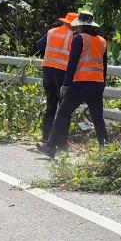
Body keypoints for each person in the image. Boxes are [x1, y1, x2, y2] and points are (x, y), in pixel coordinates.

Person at [47, 11, 109, 155]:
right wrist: (102, 86)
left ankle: (50, 146)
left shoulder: (79, 38)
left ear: (80, 26)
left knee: (62, 113)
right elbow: (104, 67)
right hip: (97, 84)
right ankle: (106, 149)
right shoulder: (102, 41)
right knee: (98, 118)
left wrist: (66, 84)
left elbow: (72, 63)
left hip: (80, 83)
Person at [34, 12, 77, 150]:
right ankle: (62, 141)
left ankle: (46, 137)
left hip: (47, 71)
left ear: (64, 22)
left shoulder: (51, 32)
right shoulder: (73, 36)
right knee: (64, 108)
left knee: (51, 106)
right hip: (62, 73)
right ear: (73, 25)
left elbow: (39, 45)